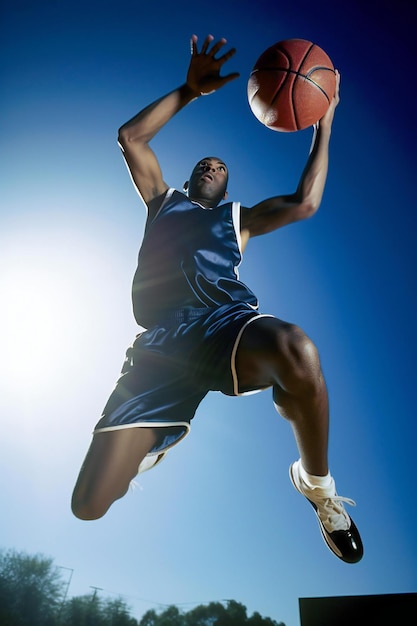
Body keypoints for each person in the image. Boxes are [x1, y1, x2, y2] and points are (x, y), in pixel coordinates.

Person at [71, 34, 363, 564]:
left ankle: (318, 487)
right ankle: (149, 447)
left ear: (226, 188)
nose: (211, 166)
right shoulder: (162, 203)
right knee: (89, 504)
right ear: (188, 178)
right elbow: (131, 137)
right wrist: (188, 90)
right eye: (204, 164)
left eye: (220, 167)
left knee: (297, 349)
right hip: (159, 348)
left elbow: (305, 203)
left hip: (222, 327)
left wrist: (324, 120)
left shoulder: (237, 221)